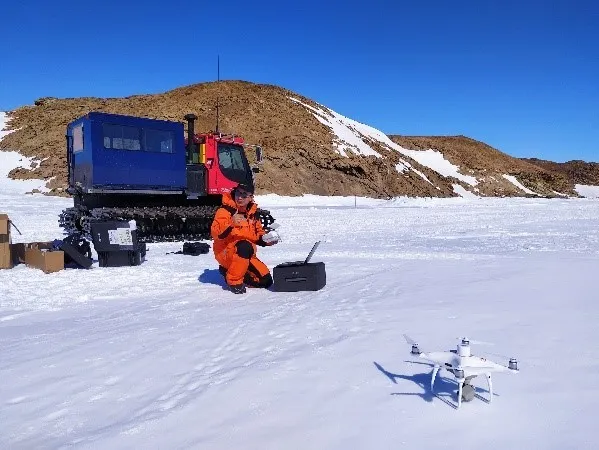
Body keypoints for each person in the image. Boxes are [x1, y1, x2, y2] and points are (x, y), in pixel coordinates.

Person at [210, 183, 278, 294]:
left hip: (245, 255)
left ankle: (228, 271)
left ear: (251, 197)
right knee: (244, 246)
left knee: (266, 281)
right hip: (225, 252)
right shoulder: (225, 211)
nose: (240, 197)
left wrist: (267, 240)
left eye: (244, 195)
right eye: (238, 193)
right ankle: (233, 281)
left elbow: (258, 235)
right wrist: (231, 223)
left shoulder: (252, 213)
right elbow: (216, 234)